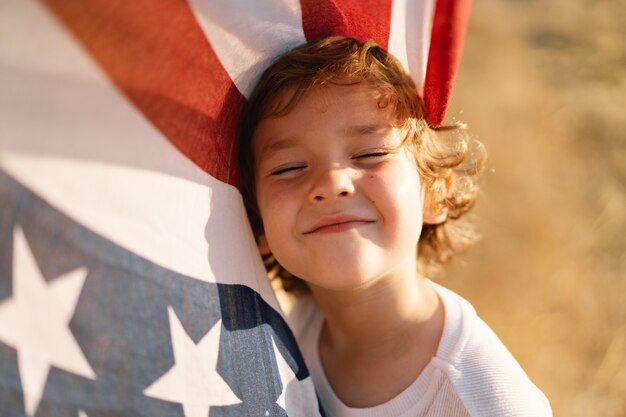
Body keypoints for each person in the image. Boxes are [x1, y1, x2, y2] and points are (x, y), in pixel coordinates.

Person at [238, 36, 552, 417]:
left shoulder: (486, 400)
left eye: (370, 154)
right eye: (288, 168)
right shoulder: (277, 339)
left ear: (434, 192)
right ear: (257, 225)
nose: (331, 183)